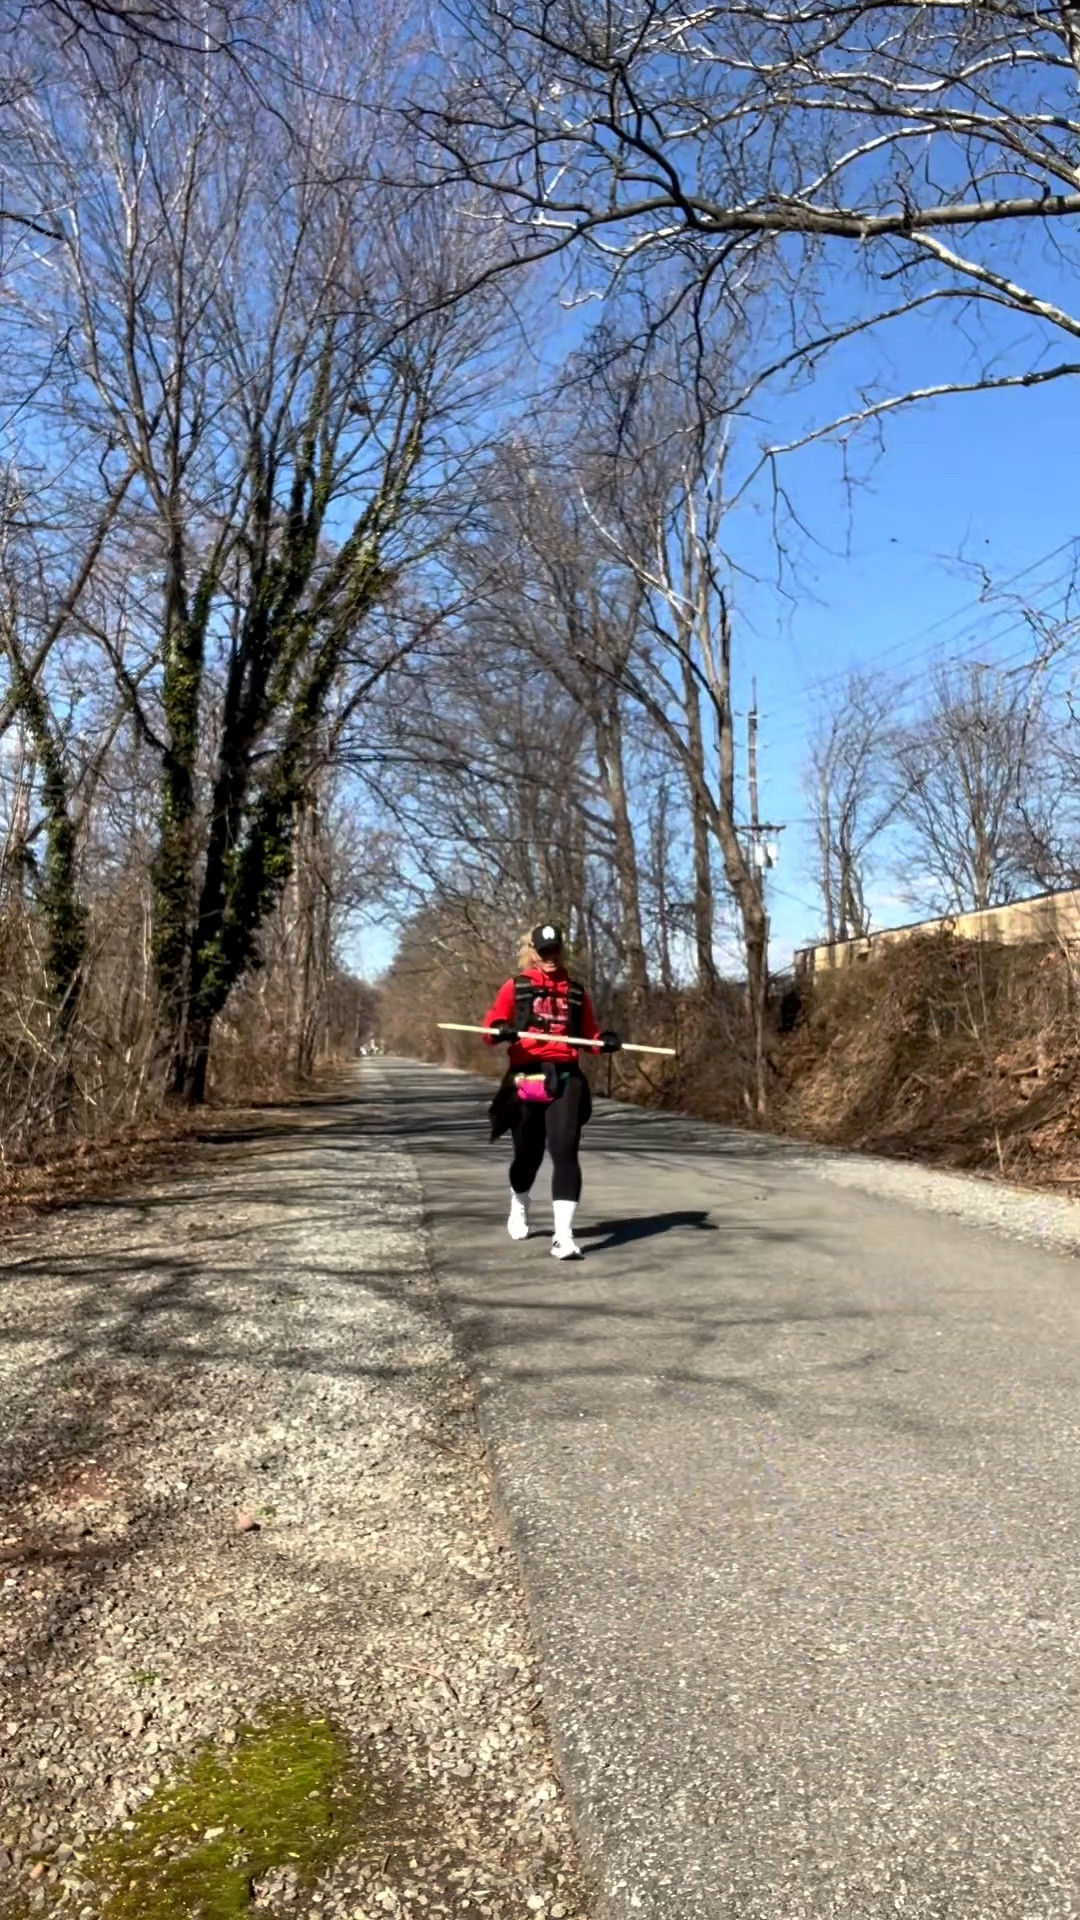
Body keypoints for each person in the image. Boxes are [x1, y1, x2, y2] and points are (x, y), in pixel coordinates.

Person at [483, 922, 620, 1259]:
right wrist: (500, 1030)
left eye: (554, 950)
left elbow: (588, 1037)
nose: (549, 957)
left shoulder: (575, 992)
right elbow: (488, 1031)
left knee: (564, 1150)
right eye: (543, 951)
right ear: (532, 952)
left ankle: (563, 1236)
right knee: (527, 1155)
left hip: (565, 1076)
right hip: (526, 1076)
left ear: (561, 950)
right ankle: (519, 1201)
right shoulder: (516, 987)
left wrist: (604, 1042)